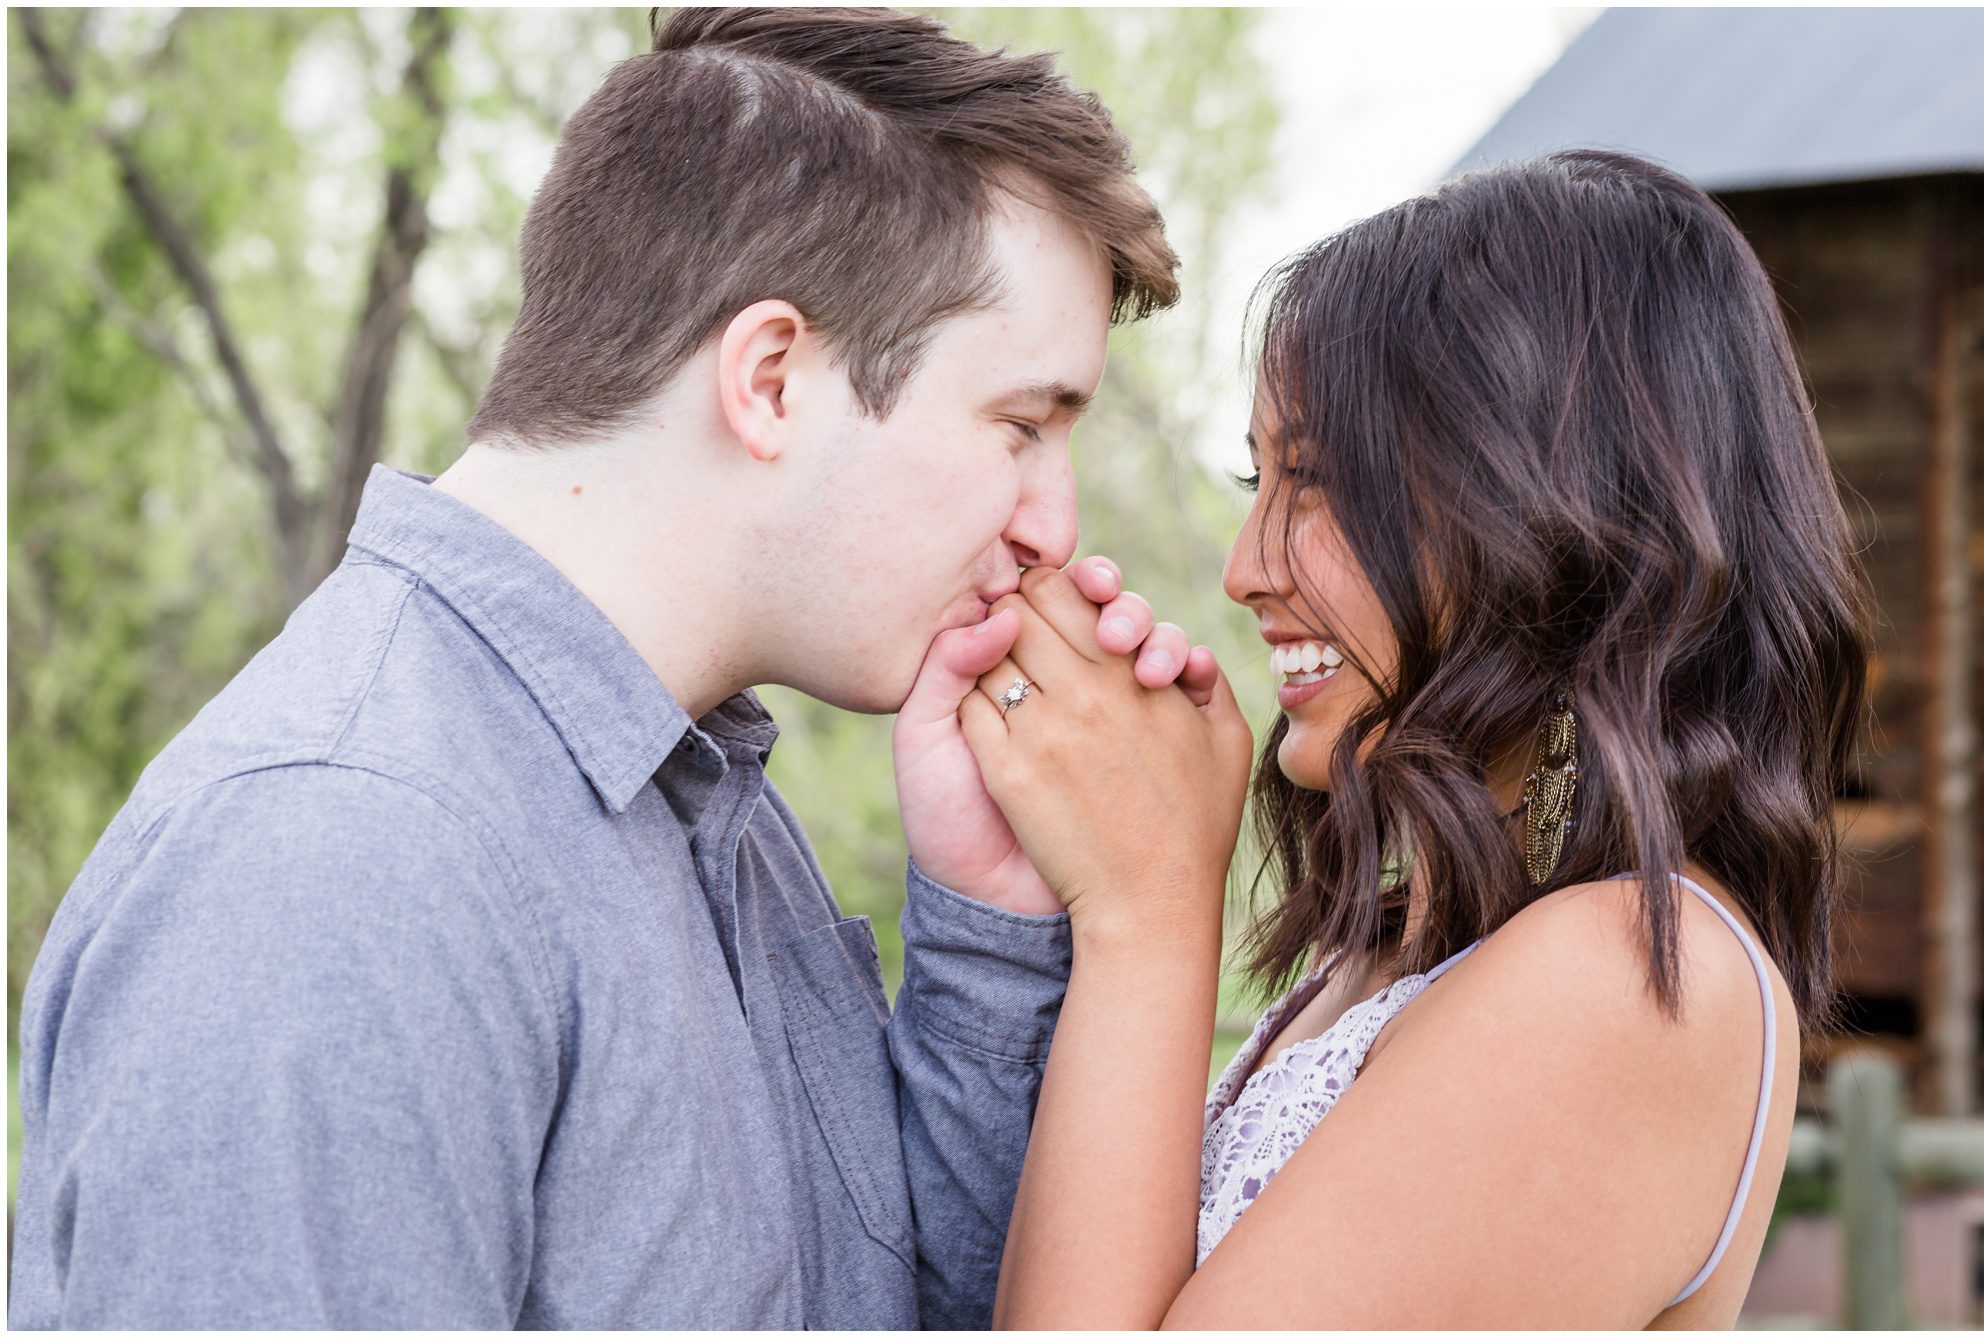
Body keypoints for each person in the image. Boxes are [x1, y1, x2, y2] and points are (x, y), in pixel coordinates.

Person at [9, 9, 1222, 1329]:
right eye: (1022, 424)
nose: (1055, 522)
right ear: (769, 379)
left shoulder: (692, 793)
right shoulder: (338, 861)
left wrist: (991, 923)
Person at [961, 150, 1872, 1328]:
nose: (1246, 569)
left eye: (1322, 481)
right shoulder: (1419, 943)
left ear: (1551, 510)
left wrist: (1148, 911)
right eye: (1257, 477)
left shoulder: (1631, 975)